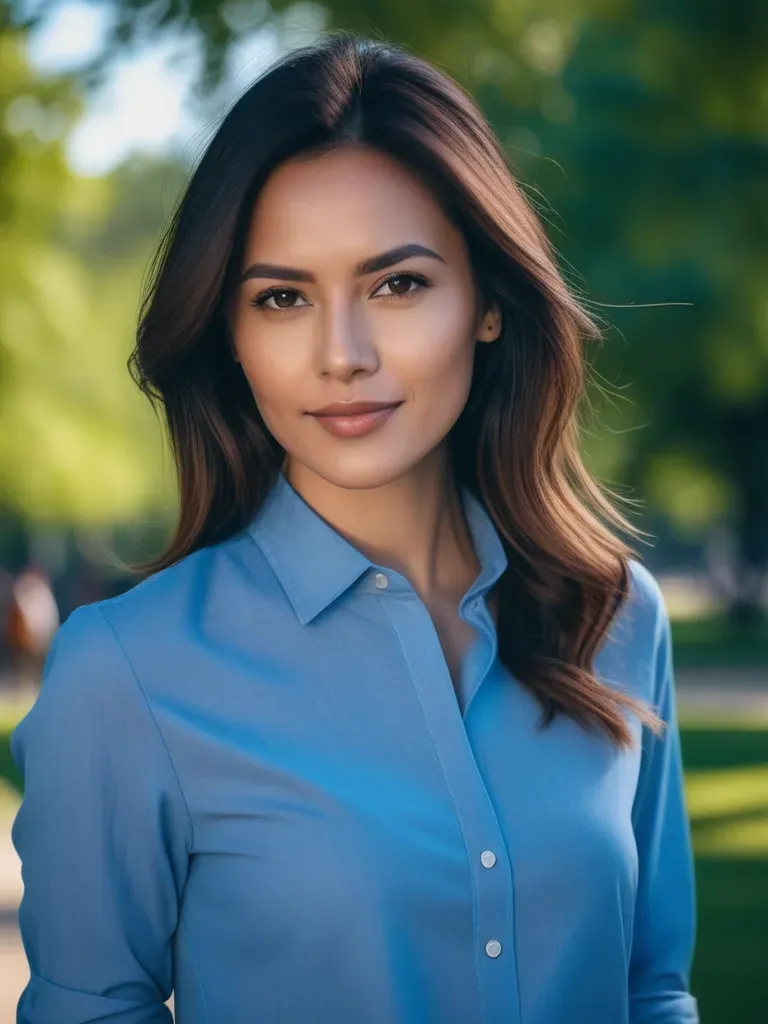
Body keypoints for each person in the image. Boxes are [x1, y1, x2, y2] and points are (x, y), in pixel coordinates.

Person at [9, 31, 699, 1024]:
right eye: (283, 298)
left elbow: (653, 987)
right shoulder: (127, 671)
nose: (343, 353)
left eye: (397, 284)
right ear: (232, 334)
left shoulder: (618, 616)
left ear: (489, 304)